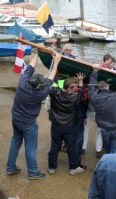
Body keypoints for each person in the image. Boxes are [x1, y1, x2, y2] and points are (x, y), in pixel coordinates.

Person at [6, 51, 61, 180]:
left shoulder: (22, 83)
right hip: (28, 123)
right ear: (39, 86)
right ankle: (33, 172)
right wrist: (57, 61)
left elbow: (30, 66)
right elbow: (51, 77)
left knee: (15, 141)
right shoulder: (41, 93)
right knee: (30, 148)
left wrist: (35, 53)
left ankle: (10, 167)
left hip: (16, 118)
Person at [88, 64, 116, 155]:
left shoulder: (94, 98)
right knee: (114, 151)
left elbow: (91, 87)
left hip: (104, 129)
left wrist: (95, 71)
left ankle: (108, 159)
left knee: (108, 150)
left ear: (98, 89)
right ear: (107, 87)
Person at [47, 73, 87, 175]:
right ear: (70, 88)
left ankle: (52, 167)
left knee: (55, 146)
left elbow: (51, 84)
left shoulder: (55, 93)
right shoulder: (74, 98)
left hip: (56, 125)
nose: (76, 89)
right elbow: (81, 93)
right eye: (75, 87)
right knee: (72, 147)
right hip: (69, 127)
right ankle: (73, 168)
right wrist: (81, 80)